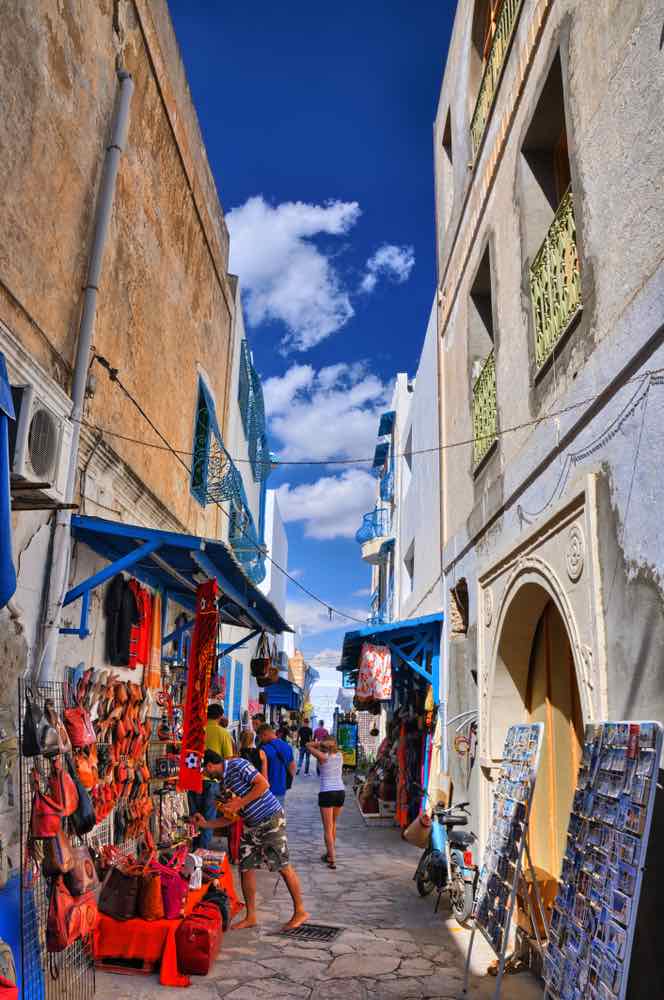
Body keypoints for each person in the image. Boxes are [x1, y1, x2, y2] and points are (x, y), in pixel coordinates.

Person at [194, 749, 308, 931]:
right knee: (245, 867)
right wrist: (206, 824)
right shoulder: (223, 784)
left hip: (271, 819)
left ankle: (300, 911)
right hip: (251, 825)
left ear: (209, 765)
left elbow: (263, 784)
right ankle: (251, 916)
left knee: (283, 866)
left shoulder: (238, 765)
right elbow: (233, 816)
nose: (206, 775)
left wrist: (241, 802)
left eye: (205, 771)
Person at [188, 704, 232, 848]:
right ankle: (202, 853)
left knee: (194, 816)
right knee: (208, 819)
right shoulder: (223, 733)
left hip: (194, 780)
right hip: (212, 782)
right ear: (220, 717)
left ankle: (192, 852)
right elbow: (228, 759)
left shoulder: (198, 731)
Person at [307, 737, 345, 870]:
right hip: (340, 792)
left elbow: (308, 745)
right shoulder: (340, 755)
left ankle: (332, 858)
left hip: (327, 793)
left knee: (327, 828)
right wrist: (328, 744)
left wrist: (320, 743)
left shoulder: (323, 757)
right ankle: (330, 853)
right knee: (333, 824)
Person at [257, 723, 295, 807]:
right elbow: (292, 767)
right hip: (281, 787)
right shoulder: (287, 746)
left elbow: (262, 770)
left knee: (266, 817)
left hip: (267, 789)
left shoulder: (264, 749)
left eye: (261, 737)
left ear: (265, 734)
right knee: (279, 816)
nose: (261, 740)